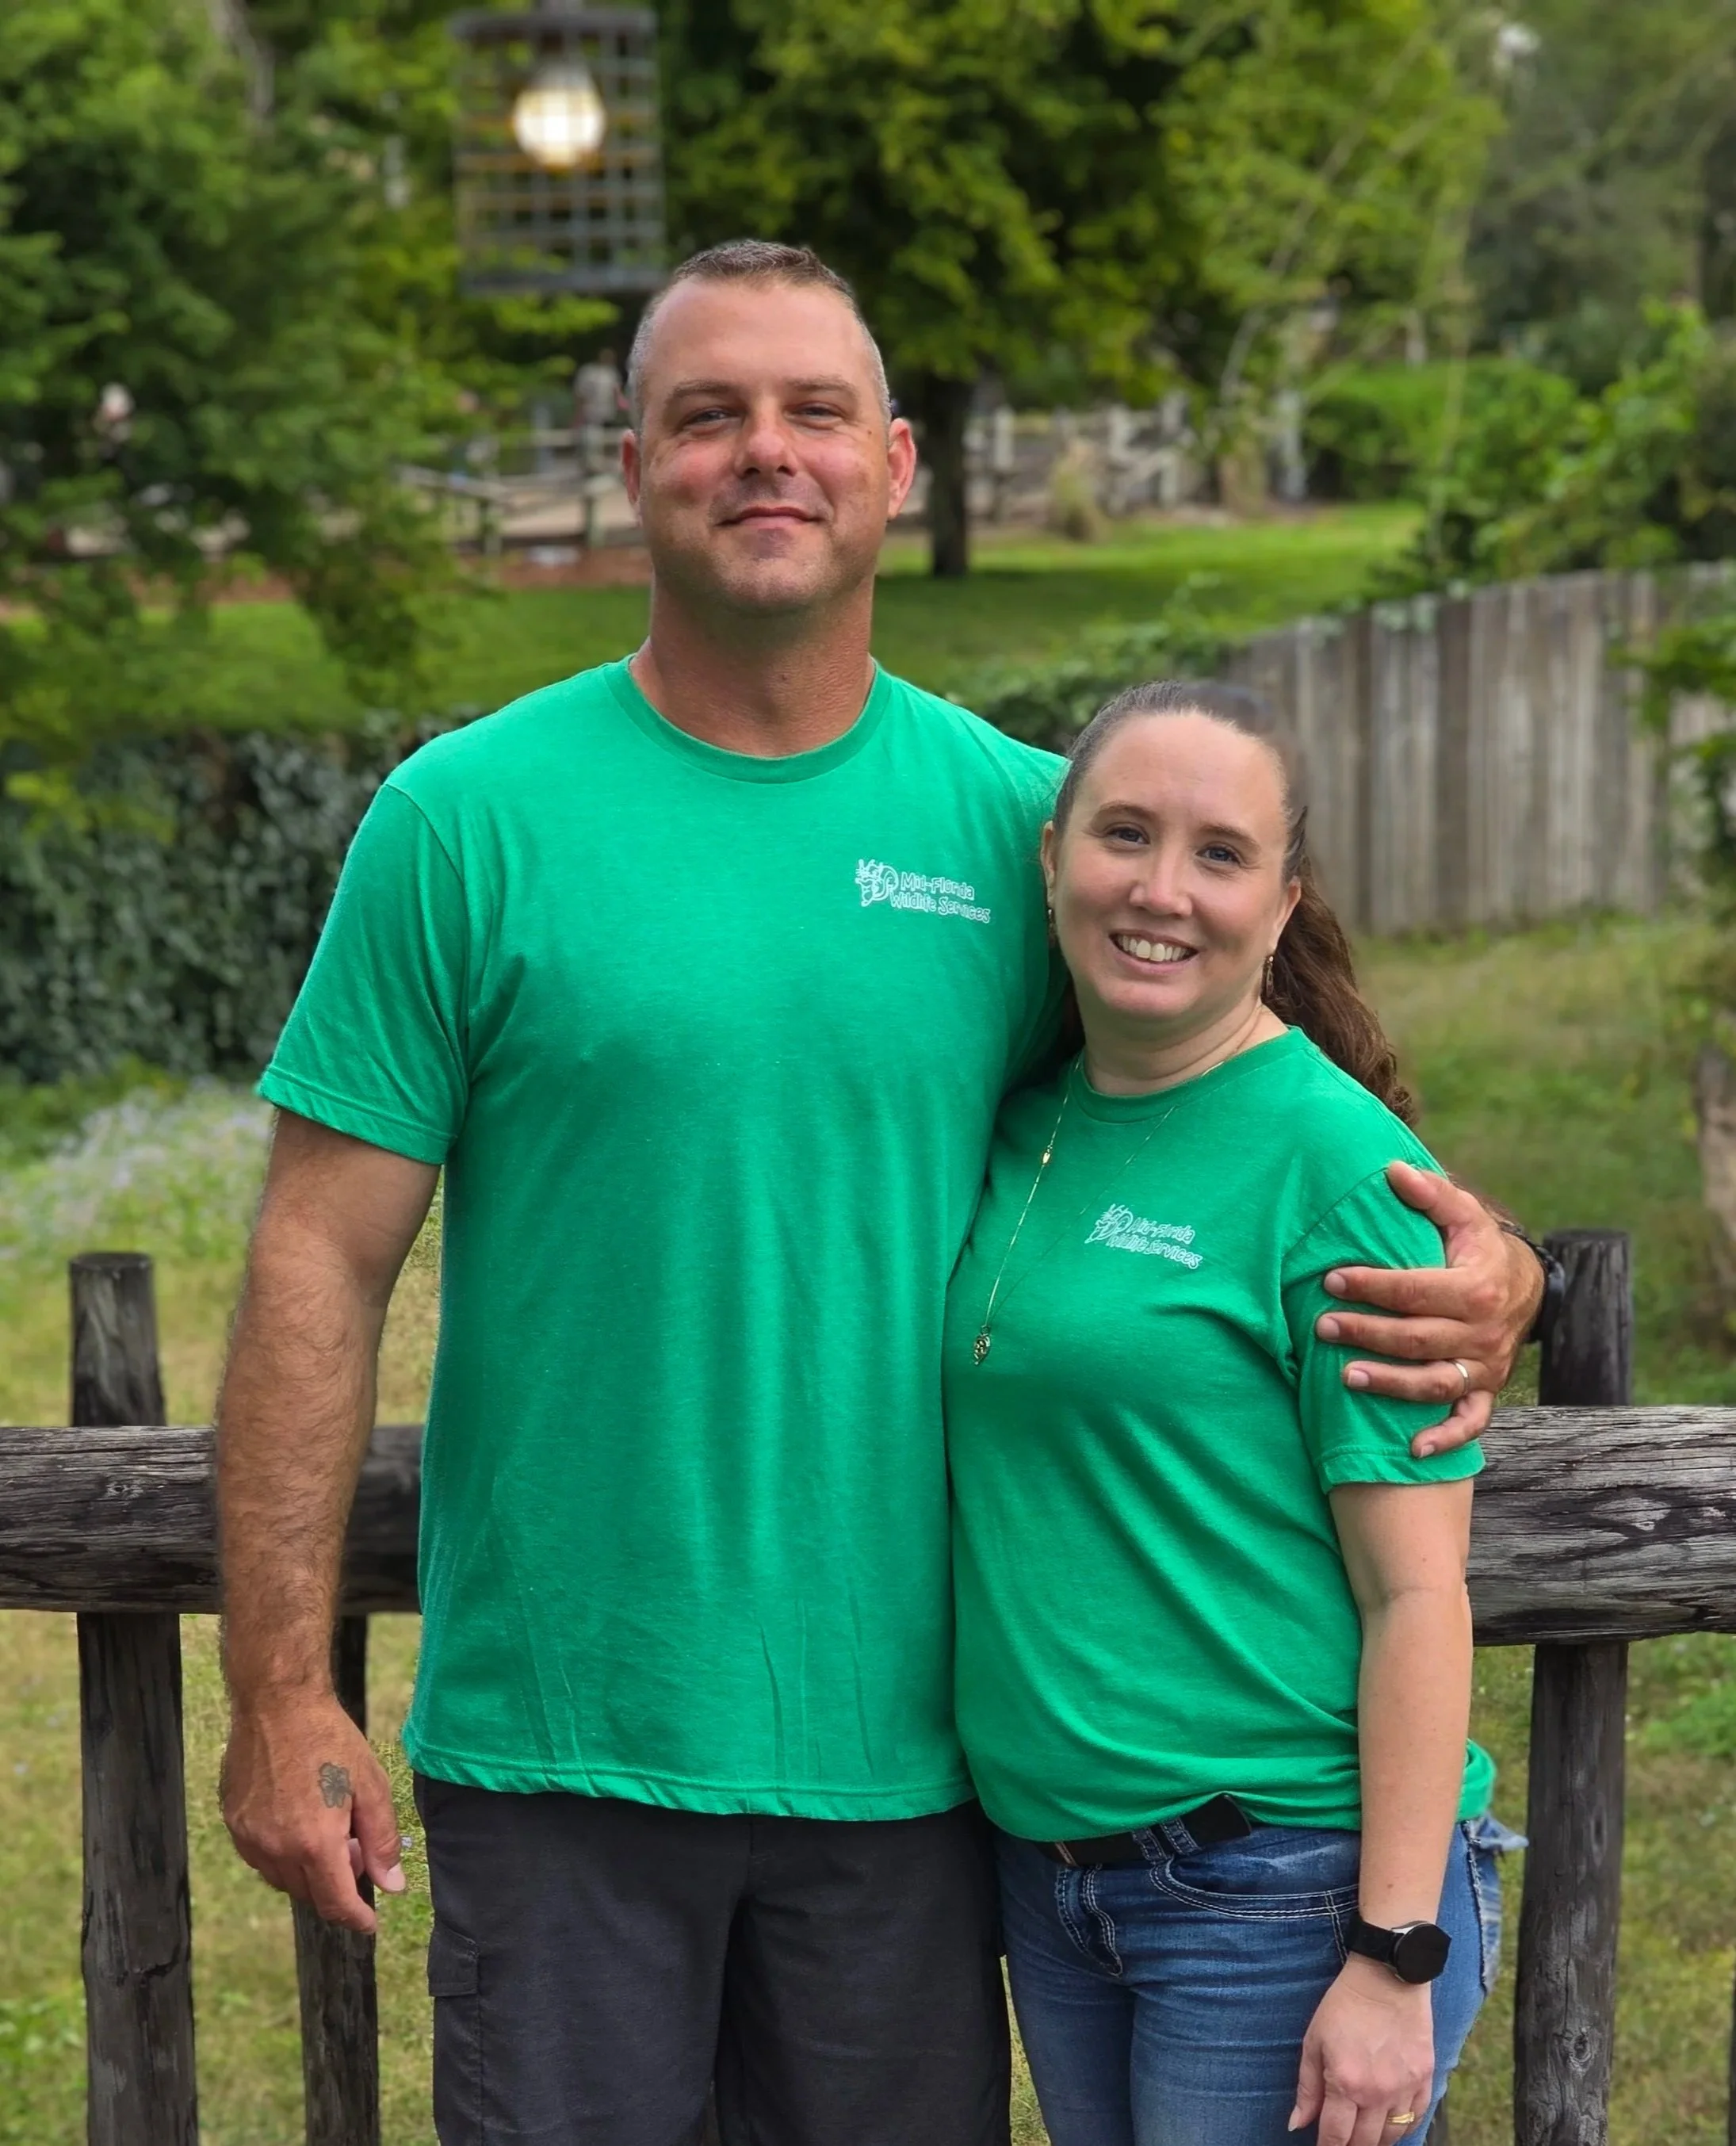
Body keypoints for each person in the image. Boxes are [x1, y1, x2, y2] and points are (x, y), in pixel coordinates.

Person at [214, 243, 1543, 2146]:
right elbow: (315, 1260)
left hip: (918, 1777)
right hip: (566, 1746)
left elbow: (1296, 1096)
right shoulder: (466, 822)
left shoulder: (1031, 833)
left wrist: (1492, 1268)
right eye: (709, 414)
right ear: (632, 463)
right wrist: (278, 1695)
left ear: (896, 461)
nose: (768, 452)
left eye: (815, 410)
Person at [944, 681, 1521, 2146]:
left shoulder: (1339, 1169)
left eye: (1217, 853)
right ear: (1051, 860)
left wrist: (1393, 1954)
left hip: (1286, 1878)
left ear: (1280, 904)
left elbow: (1414, 1594)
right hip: (1059, 1876)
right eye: (1124, 834)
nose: (1159, 889)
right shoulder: (1023, 1118)